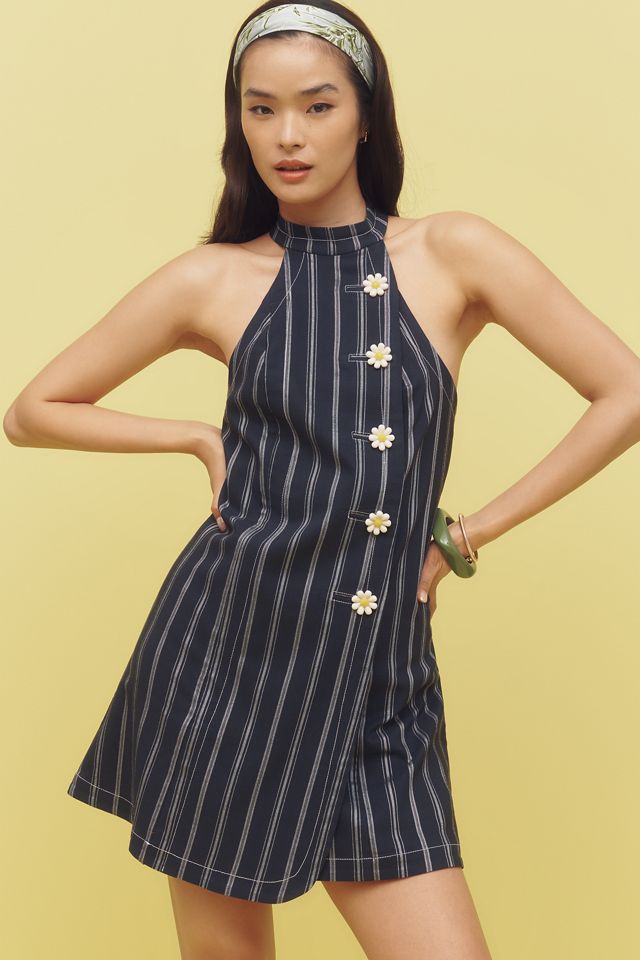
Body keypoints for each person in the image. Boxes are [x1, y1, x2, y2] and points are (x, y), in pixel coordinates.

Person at [5, 2, 640, 958]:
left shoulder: (452, 253)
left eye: (317, 105)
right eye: (260, 109)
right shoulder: (215, 279)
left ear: (366, 116)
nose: (288, 136)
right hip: (234, 654)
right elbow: (33, 411)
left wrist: (465, 534)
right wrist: (194, 437)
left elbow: (625, 392)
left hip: (382, 675)